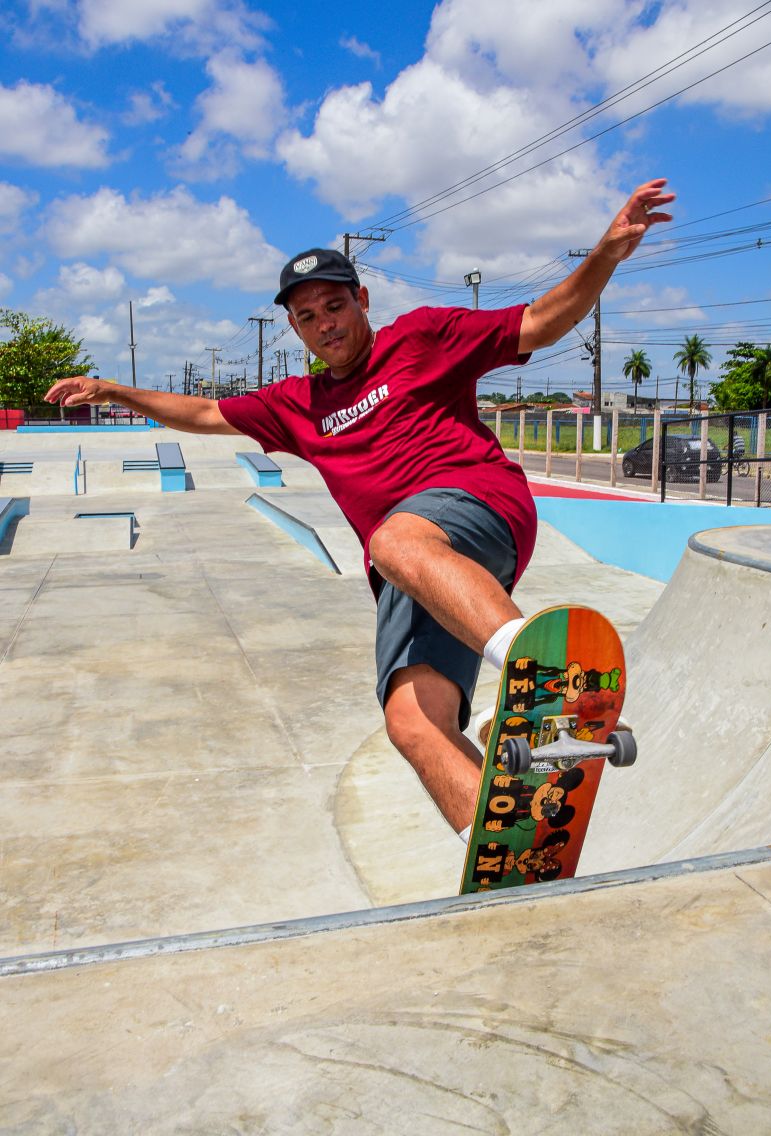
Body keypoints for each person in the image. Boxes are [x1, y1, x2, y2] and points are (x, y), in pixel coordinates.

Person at [45, 178, 674, 841]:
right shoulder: (296, 403)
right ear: (295, 328)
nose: (326, 325)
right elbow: (203, 411)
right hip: (413, 572)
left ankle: (543, 675)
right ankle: (507, 846)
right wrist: (113, 388)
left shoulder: (423, 337)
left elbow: (541, 322)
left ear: (362, 301)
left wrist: (604, 254)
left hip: (477, 504)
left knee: (393, 540)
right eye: (309, 317)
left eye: (336, 306)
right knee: (410, 720)